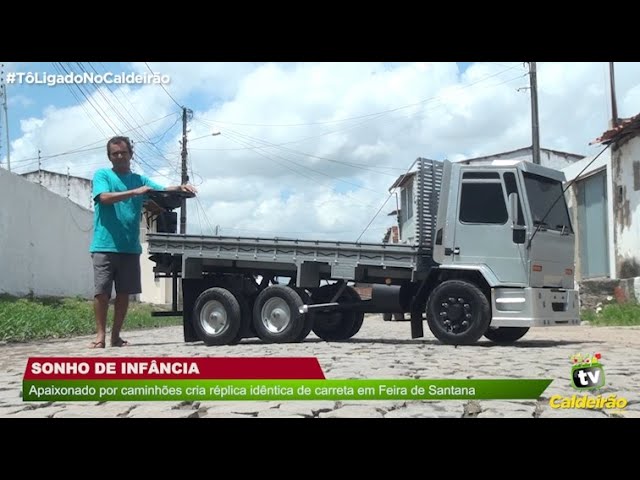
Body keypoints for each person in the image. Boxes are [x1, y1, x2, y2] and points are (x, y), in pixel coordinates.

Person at [89, 136, 197, 348]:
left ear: (131, 154)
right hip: (104, 245)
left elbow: (162, 190)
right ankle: (100, 336)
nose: (119, 156)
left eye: (123, 152)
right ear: (109, 156)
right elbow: (103, 198)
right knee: (101, 292)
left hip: (130, 247)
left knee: (124, 294)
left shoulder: (140, 179)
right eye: (114, 153)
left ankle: (116, 336)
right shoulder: (103, 175)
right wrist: (135, 192)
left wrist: (182, 188)